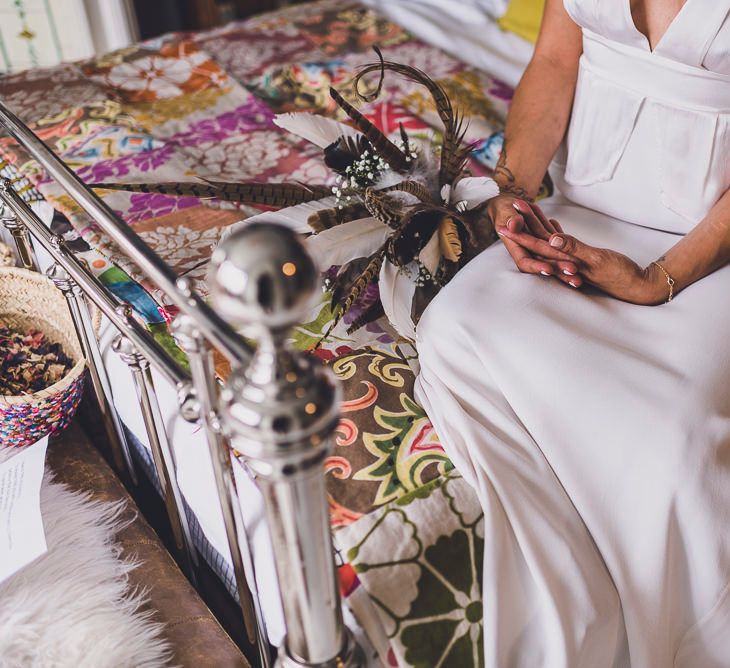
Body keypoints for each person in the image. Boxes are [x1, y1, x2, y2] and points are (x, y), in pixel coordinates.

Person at [413, 0, 730, 665]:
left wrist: (658, 279)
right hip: (582, 222)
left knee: (674, 437)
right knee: (456, 329)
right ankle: (574, 635)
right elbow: (557, 60)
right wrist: (513, 193)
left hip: (707, 256)